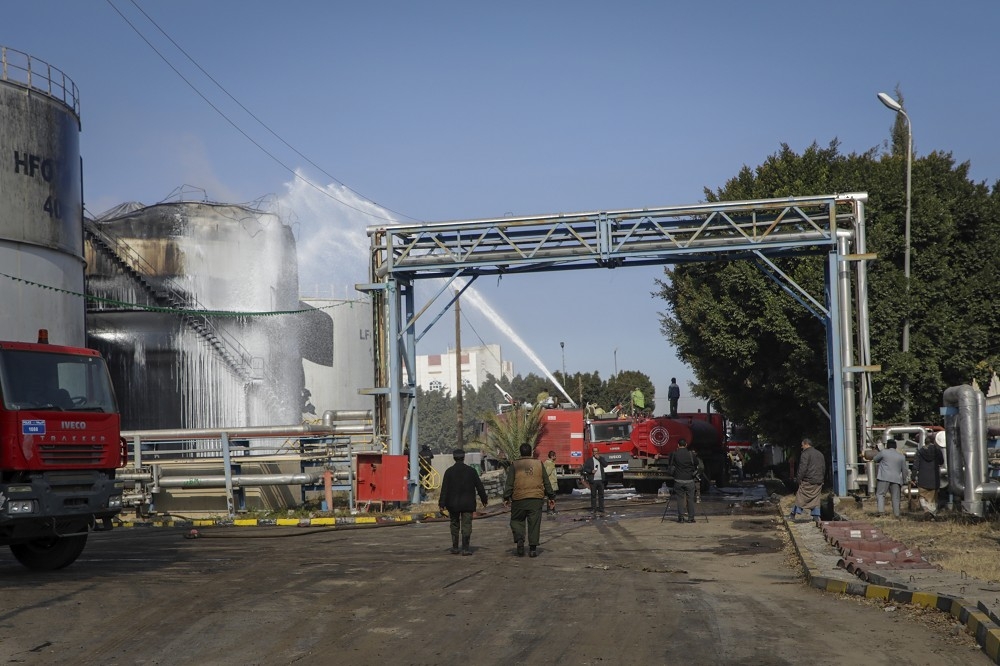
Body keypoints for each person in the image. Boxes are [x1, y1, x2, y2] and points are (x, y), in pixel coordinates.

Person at [503, 443, 556, 557]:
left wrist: (506, 497)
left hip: (519, 499)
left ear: (520, 452)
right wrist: (551, 497)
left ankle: (520, 539)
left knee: (517, 520)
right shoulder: (539, 464)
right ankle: (532, 549)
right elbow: (546, 481)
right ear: (531, 452)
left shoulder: (515, 464)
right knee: (534, 523)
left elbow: (509, 483)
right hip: (536, 499)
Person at [438, 448, 488, 555]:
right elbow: (479, 487)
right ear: (464, 457)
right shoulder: (471, 471)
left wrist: (441, 504)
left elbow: (444, 490)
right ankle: (465, 548)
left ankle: (455, 547)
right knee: (466, 525)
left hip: (453, 504)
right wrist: (484, 499)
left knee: (454, 524)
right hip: (467, 504)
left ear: (454, 458)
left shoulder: (449, 472)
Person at [788, 438, 825, 523]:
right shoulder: (820, 454)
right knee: (816, 499)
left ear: (806, 444)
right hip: (818, 480)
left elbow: (802, 468)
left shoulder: (805, 454)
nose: (802, 447)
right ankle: (816, 516)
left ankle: (793, 514)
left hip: (808, 480)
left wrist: (798, 479)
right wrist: (822, 478)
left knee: (800, 496)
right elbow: (823, 467)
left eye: (802, 445)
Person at [873, 439, 908, 518]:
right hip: (896, 479)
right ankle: (897, 514)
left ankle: (881, 512)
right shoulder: (901, 456)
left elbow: (875, 459)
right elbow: (904, 470)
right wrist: (905, 480)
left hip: (884, 477)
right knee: (895, 497)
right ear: (895, 446)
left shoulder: (884, 452)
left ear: (887, 446)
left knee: (881, 494)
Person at [668, 438, 699, 523]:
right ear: (686, 445)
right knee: (690, 499)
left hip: (678, 480)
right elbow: (696, 463)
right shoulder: (690, 454)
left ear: (678, 445)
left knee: (680, 499)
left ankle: (681, 518)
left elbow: (670, 465)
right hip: (689, 480)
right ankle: (691, 518)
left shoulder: (674, 454)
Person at [912, 439, 945, 516]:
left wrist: (913, 477)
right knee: (933, 498)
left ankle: (926, 509)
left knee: (922, 495)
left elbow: (915, 466)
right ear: (933, 442)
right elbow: (941, 462)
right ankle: (932, 513)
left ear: (924, 442)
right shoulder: (937, 451)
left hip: (923, 478)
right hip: (934, 478)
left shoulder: (920, 451)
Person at [581, 446, 606, 515]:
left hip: (600, 480)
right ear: (592, 452)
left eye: (596, 451)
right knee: (593, 495)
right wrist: (591, 471)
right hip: (593, 480)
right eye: (594, 451)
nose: (595, 453)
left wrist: (600, 459)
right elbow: (585, 468)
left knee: (601, 495)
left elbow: (605, 464)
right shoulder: (589, 460)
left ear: (598, 452)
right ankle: (593, 509)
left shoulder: (601, 459)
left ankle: (601, 508)